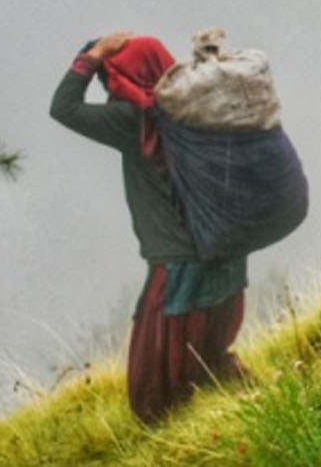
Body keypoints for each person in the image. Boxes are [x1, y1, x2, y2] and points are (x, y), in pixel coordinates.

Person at [49, 31, 247, 424]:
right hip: (227, 248)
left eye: (109, 78)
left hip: (179, 259)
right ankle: (224, 406)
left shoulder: (134, 118)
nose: (109, 89)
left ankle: (170, 431)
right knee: (211, 349)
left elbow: (64, 108)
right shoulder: (198, 104)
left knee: (156, 380)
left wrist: (91, 59)